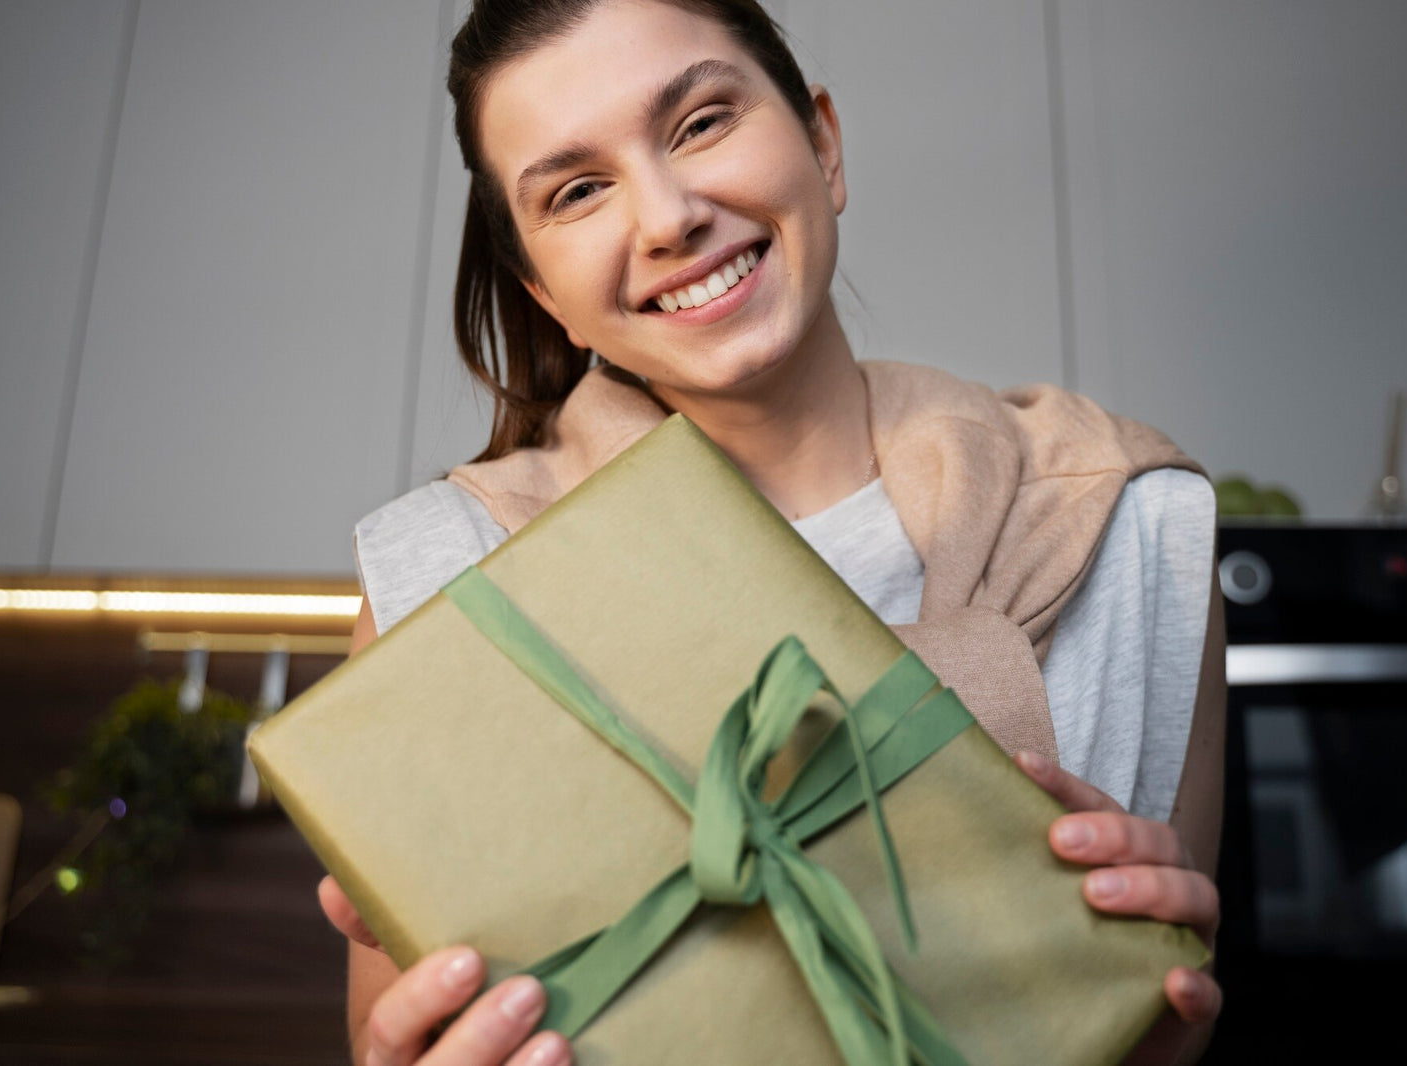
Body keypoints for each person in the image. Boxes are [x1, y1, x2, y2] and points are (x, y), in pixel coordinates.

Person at [317, 2, 1226, 1064]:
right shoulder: (445, 580)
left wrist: (1146, 1026)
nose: (666, 217)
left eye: (700, 122)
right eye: (576, 190)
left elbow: (1168, 1014)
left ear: (823, 145)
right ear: (543, 293)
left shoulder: (1131, 523)